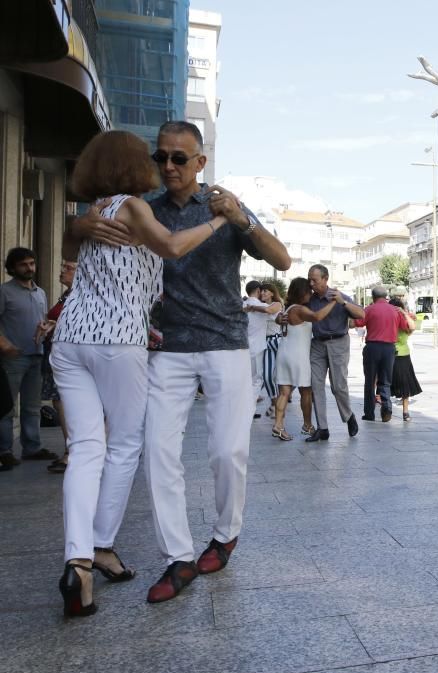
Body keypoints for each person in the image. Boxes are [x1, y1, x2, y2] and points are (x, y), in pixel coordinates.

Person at [71, 120, 290, 603]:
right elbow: (81, 245)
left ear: (200, 162)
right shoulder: (141, 209)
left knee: (228, 452)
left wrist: (242, 219)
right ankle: (178, 557)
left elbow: (283, 260)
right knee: (159, 453)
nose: (168, 166)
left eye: (179, 158)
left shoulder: (221, 204)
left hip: (225, 343)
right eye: (161, 157)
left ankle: (225, 532)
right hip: (166, 348)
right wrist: (78, 225)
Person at [54, 128, 227, 616]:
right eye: (153, 158)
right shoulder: (131, 206)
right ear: (137, 166)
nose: (161, 165)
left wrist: (76, 227)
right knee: (125, 445)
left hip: (71, 340)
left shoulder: (93, 213)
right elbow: (171, 247)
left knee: (86, 448)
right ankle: (97, 548)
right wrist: (216, 222)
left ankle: (80, 561)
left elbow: (76, 254)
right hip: (115, 341)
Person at [0, 247, 61, 469]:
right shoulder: (4, 292)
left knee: (32, 406)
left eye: (32, 263)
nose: (29, 268)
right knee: (7, 407)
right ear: (13, 268)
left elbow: (43, 320)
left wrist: (45, 327)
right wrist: (5, 345)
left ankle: (32, 447)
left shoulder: (40, 293)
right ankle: (4, 450)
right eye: (24, 264)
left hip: (37, 355)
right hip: (13, 358)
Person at [271, 278, 339, 441]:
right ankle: (307, 425)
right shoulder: (300, 310)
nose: (311, 293)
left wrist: (277, 319)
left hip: (284, 353)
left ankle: (278, 426)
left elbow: (280, 320)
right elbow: (316, 316)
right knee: (306, 392)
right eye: (308, 290)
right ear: (302, 292)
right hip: (298, 356)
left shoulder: (288, 309)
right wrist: (333, 303)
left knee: (284, 392)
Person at [304, 265, 364, 441]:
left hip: (338, 342)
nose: (311, 283)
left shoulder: (339, 296)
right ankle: (323, 428)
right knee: (316, 385)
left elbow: (361, 314)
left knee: (338, 386)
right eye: (310, 279)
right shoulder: (310, 299)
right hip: (317, 344)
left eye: (315, 280)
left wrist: (343, 303)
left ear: (325, 279)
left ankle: (349, 416)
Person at [35, 260, 78, 473]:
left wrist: (55, 324)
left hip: (69, 357)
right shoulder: (67, 294)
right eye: (62, 266)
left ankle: (73, 452)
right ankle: (72, 449)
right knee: (61, 402)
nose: (62, 271)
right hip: (56, 353)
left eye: (68, 268)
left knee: (67, 403)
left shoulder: (81, 295)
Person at [356, 286, 411, 422]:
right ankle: (387, 409)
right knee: (385, 381)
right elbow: (405, 327)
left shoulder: (369, 309)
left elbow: (358, 322)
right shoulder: (395, 310)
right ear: (386, 296)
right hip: (389, 349)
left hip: (372, 347)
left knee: (370, 381)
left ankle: (369, 413)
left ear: (373, 297)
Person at [243, 280, 281, 419]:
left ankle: (250, 409)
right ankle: (248, 410)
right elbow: (273, 313)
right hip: (258, 346)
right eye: (262, 291)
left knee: (248, 379)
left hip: (242, 347)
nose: (263, 293)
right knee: (258, 379)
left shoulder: (243, 305)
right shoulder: (262, 305)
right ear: (258, 291)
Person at [388, 296, 420, 421]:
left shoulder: (405, 322)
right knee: (388, 384)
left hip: (402, 355)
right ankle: (393, 410)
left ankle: (405, 412)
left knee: (404, 384)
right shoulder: (388, 321)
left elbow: (412, 328)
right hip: (391, 354)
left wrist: (403, 313)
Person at [258, 283, 284, 417]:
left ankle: (279, 404)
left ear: (272, 293)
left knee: (281, 377)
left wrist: (251, 306)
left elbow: (269, 310)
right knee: (267, 377)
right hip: (266, 343)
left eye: (265, 291)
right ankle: (274, 403)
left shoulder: (277, 304)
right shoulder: (259, 305)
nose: (262, 293)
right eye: (261, 291)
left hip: (278, 341)